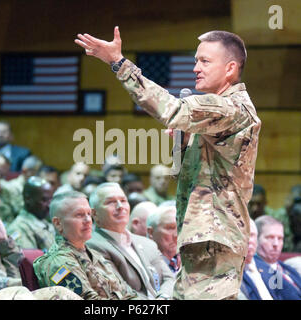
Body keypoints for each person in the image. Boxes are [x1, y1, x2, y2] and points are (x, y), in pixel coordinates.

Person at [75, 27, 261, 299]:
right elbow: (195, 174)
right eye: (196, 60)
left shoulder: (230, 108)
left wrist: (118, 63)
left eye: (205, 61)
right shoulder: (216, 115)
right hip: (202, 240)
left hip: (214, 243)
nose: (196, 68)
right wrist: (185, 144)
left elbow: (172, 110)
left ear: (230, 68)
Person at [0, 174, 81, 300]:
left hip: (7, 291)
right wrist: (21, 284)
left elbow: (18, 267)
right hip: (3, 292)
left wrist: (4, 242)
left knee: (63, 292)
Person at [33, 190, 138, 300]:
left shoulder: (94, 254)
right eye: (79, 215)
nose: (88, 220)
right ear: (58, 223)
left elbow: (127, 293)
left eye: (89, 214)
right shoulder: (59, 262)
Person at [87, 182, 174, 299]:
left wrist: (164, 297)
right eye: (111, 202)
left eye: (123, 200)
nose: (120, 206)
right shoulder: (93, 246)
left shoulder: (147, 243)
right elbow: (119, 290)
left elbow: (170, 279)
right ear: (94, 213)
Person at [254, 215, 301, 300]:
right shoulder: (252, 270)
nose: (276, 244)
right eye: (270, 237)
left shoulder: (289, 269)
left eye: (280, 238)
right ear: (256, 239)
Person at [7, 176, 55, 252]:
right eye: (44, 200)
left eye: (51, 199)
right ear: (28, 199)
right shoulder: (19, 228)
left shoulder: (44, 221)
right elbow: (30, 262)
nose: (49, 205)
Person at [248, 184, 294, 252]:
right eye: (251, 204)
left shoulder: (275, 218)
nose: (255, 208)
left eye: (258, 204)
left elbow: (287, 243)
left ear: (265, 203)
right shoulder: (240, 218)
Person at [238, 219, 274, 300]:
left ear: (257, 240)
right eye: (244, 235)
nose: (249, 240)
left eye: (252, 235)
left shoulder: (267, 267)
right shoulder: (228, 272)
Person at [146, 205, 180, 276]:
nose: (176, 235)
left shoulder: (182, 262)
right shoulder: (145, 265)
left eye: (179, 227)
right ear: (151, 232)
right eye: (170, 228)